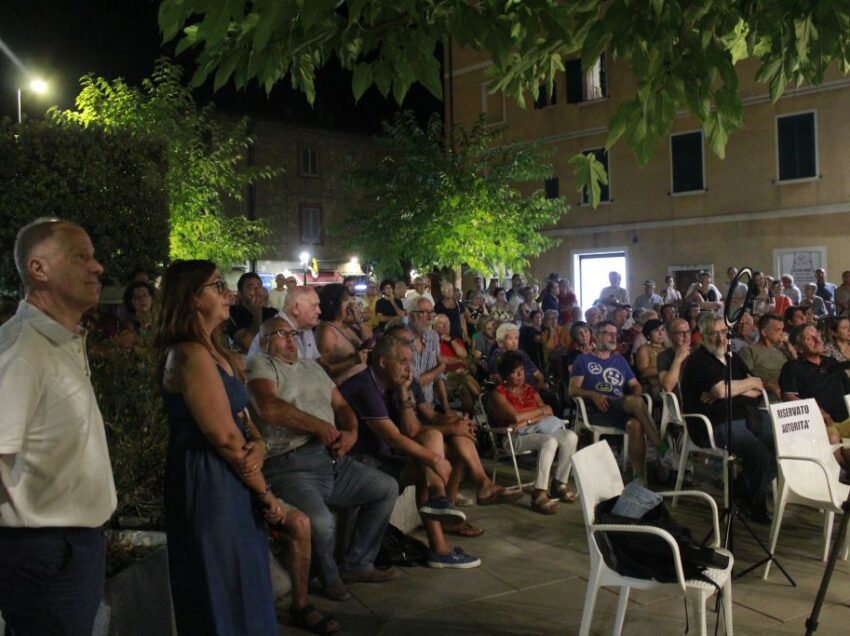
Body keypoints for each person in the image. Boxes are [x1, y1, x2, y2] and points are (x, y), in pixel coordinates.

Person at [152, 259, 287, 634]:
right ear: (193, 298)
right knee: (220, 586)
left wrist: (259, 444)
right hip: (210, 479)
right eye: (217, 286)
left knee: (245, 580)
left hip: (234, 477)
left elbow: (242, 421)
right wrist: (267, 496)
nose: (228, 294)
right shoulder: (188, 355)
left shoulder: (214, 350)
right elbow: (225, 438)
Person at [0, 219, 117, 635]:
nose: (97, 267)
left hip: (70, 547)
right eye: (80, 256)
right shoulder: (23, 350)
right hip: (46, 553)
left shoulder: (60, 341)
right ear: (39, 269)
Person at [248, 317, 398, 603]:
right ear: (265, 341)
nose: (290, 340)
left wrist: (351, 432)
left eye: (293, 334)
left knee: (385, 488)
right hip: (291, 463)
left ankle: (358, 563)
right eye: (281, 335)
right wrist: (318, 426)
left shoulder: (311, 367)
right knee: (321, 522)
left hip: (330, 457)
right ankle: (329, 578)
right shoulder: (262, 364)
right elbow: (267, 406)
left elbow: (341, 405)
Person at [339, 335, 481, 569]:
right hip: (358, 462)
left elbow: (412, 430)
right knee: (429, 457)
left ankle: (439, 526)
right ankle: (439, 538)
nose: (409, 368)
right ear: (383, 362)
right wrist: (436, 460)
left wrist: (405, 393)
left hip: (382, 456)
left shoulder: (393, 386)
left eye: (411, 362)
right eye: (402, 361)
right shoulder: (365, 386)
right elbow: (394, 437)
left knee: (432, 444)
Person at [680, 312, 775, 524]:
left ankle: (741, 489)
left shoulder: (732, 357)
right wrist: (732, 389)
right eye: (713, 333)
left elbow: (757, 386)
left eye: (723, 332)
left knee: (781, 441)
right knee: (758, 452)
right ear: (702, 336)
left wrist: (731, 389)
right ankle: (756, 503)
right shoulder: (698, 361)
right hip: (716, 423)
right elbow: (723, 392)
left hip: (746, 415)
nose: (720, 338)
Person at [568, 320, 672, 478]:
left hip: (619, 407)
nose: (613, 337)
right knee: (633, 402)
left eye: (615, 334)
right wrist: (593, 394)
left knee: (635, 424)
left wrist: (635, 396)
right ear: (596, 335)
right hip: (596, 410)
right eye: (608, 333)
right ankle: (660, 448)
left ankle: (639, 478)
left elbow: (636, 385)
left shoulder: (619, 360)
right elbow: (573, 389)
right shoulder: (583, 360)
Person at [489, 351, 578, 514]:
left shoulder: (530, 389)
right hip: (513, 436)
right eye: (515, 372)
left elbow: (548, 410)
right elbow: (515, 417)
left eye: (522, 370)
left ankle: (559, 483)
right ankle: (539, 493)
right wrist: (537, 413)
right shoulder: (499, 393)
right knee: (548, 441)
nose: (520, 375)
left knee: (570, 437)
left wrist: (528, 420)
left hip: (537, 429)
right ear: (505, 375)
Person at [780, 324, 850, 466]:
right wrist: (816, 411)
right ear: (799, 348)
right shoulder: (792, 367)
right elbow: (788, 397)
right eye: (809, 339)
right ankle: (841, 477)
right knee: (833, 439)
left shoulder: (832, 362)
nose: (817, 340)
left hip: (845, 418)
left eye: (817, 336)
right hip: (818, 423)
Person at [316, 283, 373, 385]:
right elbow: (324, 369)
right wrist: (352, 361)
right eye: (346, 300)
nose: (352, 304)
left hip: (361, 384)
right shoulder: (327, 332)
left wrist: (359, 321)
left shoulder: (345, 325)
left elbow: (370, 340)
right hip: (346, 389)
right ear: (334, 304)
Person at [738, 314, 789, 401]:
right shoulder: (749, 350)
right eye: (778, 330)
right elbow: (744, 379)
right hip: (764, 399)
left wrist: (790, 347)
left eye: (782, 330)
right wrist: (769, 384)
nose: (782, 334)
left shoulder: (783, 352)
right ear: (764, 332)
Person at [226, 272, 279, 353]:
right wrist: (257, 314)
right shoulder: (232, 313)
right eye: (251, 288)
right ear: (240, 293)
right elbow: (248, 343)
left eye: (259, 287)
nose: (257, 291)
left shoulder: (272, 313)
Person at [657, 318, 693, 394]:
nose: (686, 336)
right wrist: (678, 359)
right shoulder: (664, 356)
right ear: (670, 335)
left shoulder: (697, 352)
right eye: (680, 333)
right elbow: (666, 388)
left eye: (688, 331)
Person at [117, 280, 156, 348]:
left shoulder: (161, 321)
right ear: (131, 302)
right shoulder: (129, 324)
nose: (141, 299)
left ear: (151, 298)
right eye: (136, 297)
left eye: (145, 295)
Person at [635, 318, 666, 399]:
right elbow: (644, 372)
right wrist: (668, 368)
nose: (660, 333)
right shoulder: (644, 349)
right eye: (656, 331)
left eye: (662, 330)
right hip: (653, 387)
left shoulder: (666, 348)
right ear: (648, 335)